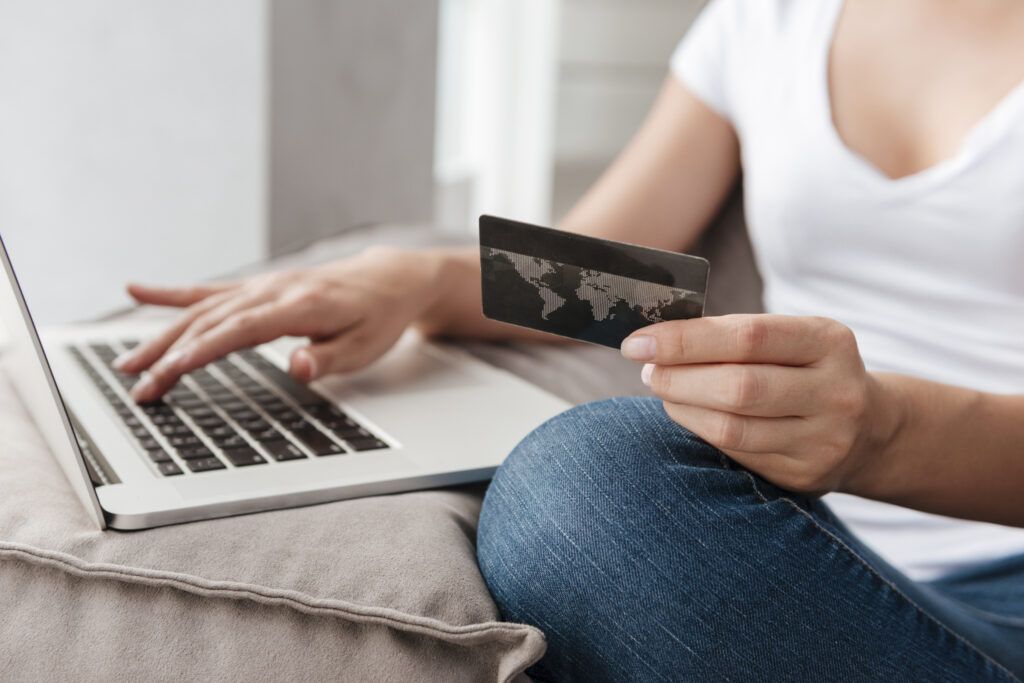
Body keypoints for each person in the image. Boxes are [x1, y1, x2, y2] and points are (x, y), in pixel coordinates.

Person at [114, 0, 1024, 678]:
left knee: (578, 489)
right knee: (598, 485)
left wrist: (885, 432)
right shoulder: (767, 23)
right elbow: (617, 278)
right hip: (798, 536)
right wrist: (416, 278)